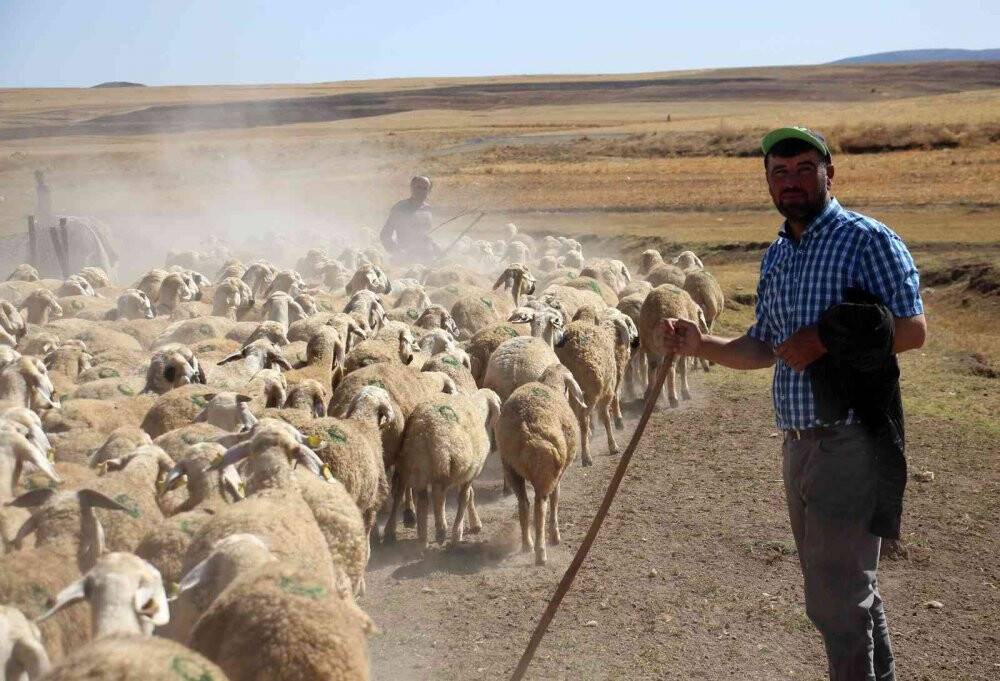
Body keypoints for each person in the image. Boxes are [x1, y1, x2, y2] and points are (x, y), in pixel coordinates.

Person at [661, 127, 926, 681]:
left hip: (850, 437)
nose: (793, 182)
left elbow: (911, 329)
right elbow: (766, 344)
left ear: (831, 171)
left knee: (835, 599)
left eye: (805, 168)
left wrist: (825, 340)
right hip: (799, 442)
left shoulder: (866, 240)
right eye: (780, 172)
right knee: (848, 590)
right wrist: (699, 343)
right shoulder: (778, 254)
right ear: (767, 182)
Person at [379, 176, 438, 263]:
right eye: (418, 187)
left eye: (425, 189)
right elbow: (385, 235)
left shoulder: (427, 209)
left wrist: (438, 249)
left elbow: (426, 236)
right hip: (408, 259)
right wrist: (397, 253)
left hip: (428, 257)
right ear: (411, 188)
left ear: (429, 191)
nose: (421, 191)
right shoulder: (400, 208)